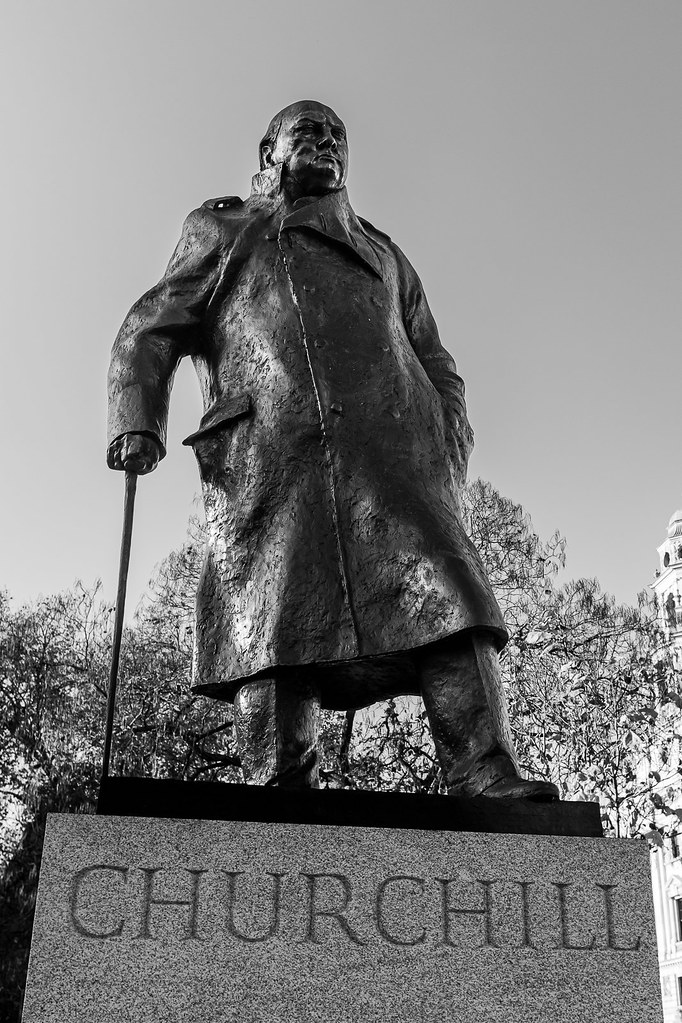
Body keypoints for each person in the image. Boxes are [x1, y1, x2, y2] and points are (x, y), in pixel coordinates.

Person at [107, 100, 558, 801]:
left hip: (392, 465)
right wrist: (138, 416)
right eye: (307, 131)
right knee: (274, 622)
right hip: (273, 461)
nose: (325, 141)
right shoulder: (224, 228)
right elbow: (151, 325)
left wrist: (446, 437)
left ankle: (482, 769)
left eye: (337, 134)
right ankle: (282, 780)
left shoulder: (384, 252)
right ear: (270, 152)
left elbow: (436, 358)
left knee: (452, 599)